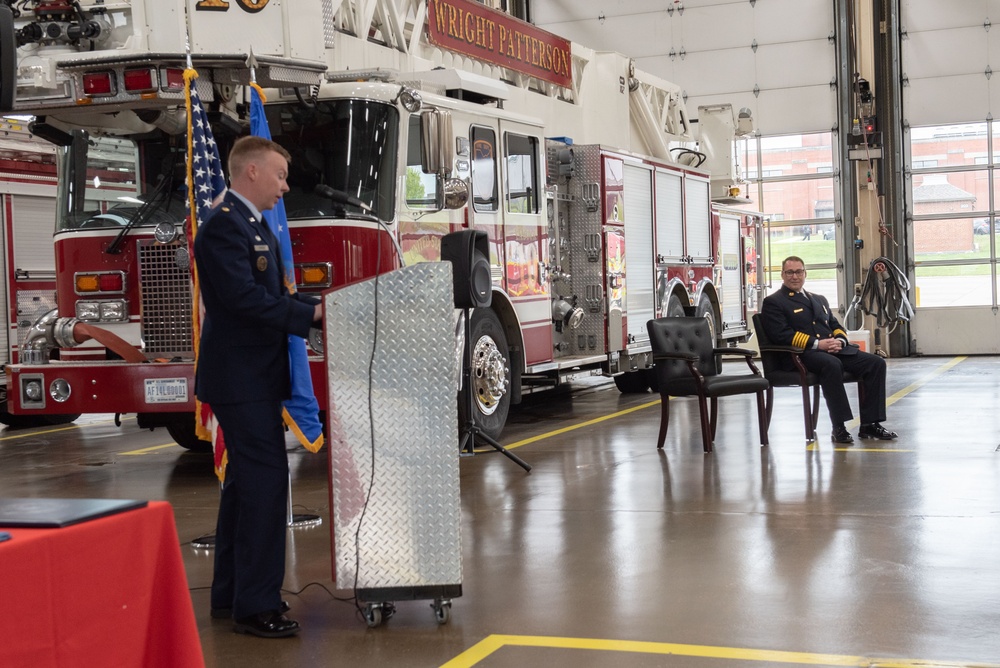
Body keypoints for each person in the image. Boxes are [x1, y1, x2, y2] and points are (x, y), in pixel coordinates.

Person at [194, 136, 321, 638]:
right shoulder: (225, 227)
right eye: (280, 175)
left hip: (252, 378)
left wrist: (318, 303)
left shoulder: (249, 223)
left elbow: (270, 291)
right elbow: (243, 300)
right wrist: (309, 315)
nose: (285, 187)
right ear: (250, 173)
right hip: (239, 379)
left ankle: (230, 595)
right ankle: (257, 605)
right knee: (267, 485)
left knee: (246, 488)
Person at [759, 256, 896, 444]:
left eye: (799, 271)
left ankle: (869, 424)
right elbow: (781, 335)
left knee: (875, 363)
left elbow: (834, 325)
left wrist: (839, 340)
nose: (794, 276)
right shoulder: (774, 302)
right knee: (832, 364)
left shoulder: (818, 299)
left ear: (805, 273)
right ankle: (838, 427)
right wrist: (818, 344)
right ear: (782, 275)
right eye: (790, 272)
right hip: (800, 355)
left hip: (831, 350)